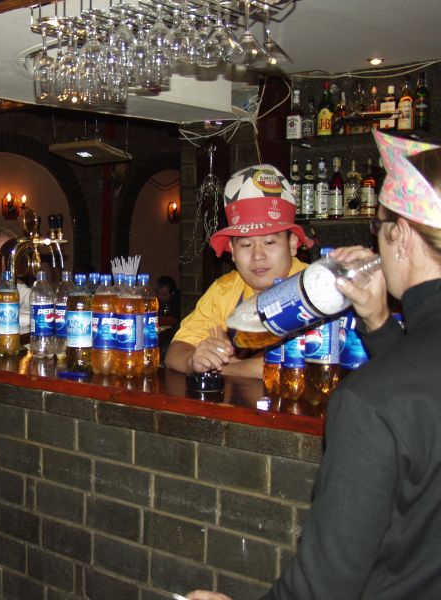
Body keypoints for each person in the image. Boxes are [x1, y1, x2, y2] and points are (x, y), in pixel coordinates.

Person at [187, 132, 441, 599]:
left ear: (402, 236)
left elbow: (327, 583)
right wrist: (378, 322)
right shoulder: (402, 374)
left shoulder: (368, 402)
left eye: (379, 225)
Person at [166, 164, 313, 378]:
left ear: (292, 244)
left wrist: (223, 367)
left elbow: (293, 366)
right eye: (246, 245)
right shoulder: (224, 290)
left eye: (269, 242)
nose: (257, 255)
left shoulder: (314, 288)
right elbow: (175, 352)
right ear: (233, 251)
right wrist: (194, 360)